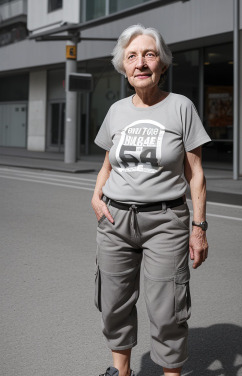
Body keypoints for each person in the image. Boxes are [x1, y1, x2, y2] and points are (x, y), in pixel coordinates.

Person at [91, 24, 210, 376]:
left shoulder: (181, 108)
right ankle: (121, 371)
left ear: (162, 64)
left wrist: (199, 228)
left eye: (149, 54)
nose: (140, 63)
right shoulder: (116, 112)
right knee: (113, 303)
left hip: (165, 221)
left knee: (167, 309)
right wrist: (95, 196)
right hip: (114, 221)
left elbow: (196, 174)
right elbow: (106, 166)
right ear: (123, 67)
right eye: (132, 57)